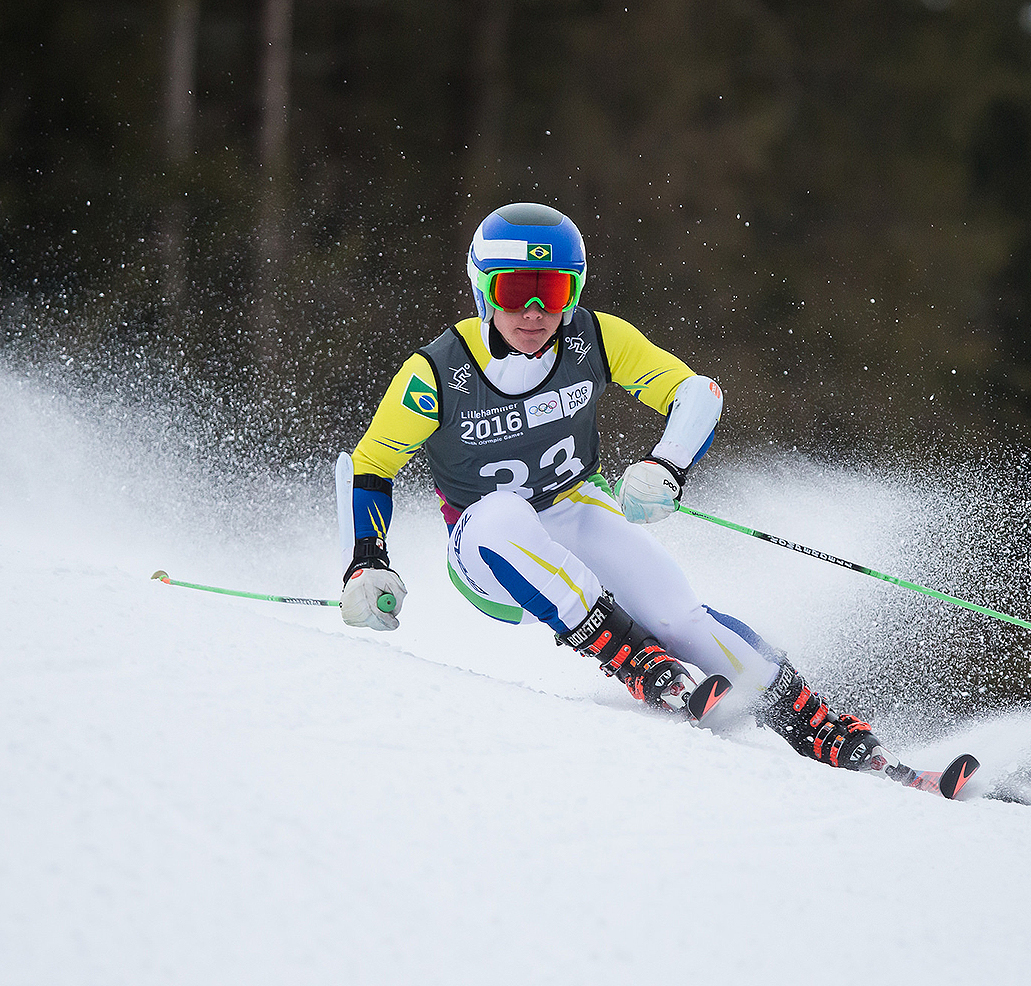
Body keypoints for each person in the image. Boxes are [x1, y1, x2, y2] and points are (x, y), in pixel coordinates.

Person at [339, 201, 886, 774]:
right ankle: (631, 657)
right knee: (501, 514)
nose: (533, 313)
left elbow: (696, 393)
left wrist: (667, 465)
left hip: (576, 511)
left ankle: (819, 725)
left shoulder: (597, 337)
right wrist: (366, 561)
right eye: (514, 291)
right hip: (489, 555)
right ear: (482, 290)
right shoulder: (436, 372)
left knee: (679, 616)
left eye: (551, 292)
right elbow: (373, 462)